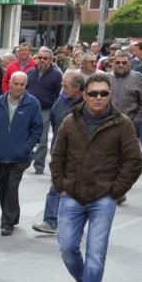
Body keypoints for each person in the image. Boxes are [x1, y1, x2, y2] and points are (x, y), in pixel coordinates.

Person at [51, 73, 142, 282]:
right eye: (93, 93)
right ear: (84, 95)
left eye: (103, 93)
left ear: (110, 95)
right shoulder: (71, 121)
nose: (99, 98)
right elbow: (58, 156)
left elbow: (133, 162)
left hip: (103, 198)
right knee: (67, 247)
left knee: (96, 253)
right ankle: (82, 281)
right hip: (72, 194)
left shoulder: (122, 124)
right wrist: (61, 184)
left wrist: (115, 191)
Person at [0, 71, 43, 236]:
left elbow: (37, 129)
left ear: (26, 85)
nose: (18, 87)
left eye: (22, 84)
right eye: (15, 84)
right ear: (9, 83)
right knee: (3, 188)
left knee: (11, 186)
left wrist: (27, 147)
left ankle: (7, 222)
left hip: (21, 157)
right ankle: (13, 216)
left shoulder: (33, 104)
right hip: (0, 154)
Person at [34, 69, 85, 235]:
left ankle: (75, 223)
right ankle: (50, 221)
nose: (63, 89)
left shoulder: (86, 106)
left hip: (78, 155)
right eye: (62, 86)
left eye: (66, 86)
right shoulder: (61, 101)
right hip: (59, 151)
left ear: (77, 88)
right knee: (56, 185)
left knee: (77, 189)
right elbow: (55, 119)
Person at [26, 47, 63, 175]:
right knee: (25, 136)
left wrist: (53, 108)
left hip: (45, 110)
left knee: (41, 139)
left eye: (45, 58)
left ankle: (39, 165)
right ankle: (24, 161)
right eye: (40, 58)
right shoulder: (30, 73)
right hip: (28, 109)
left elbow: (59, 94)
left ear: (51, 60)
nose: (42, 60)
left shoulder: (57, 75)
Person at [109, 50, 142, 133]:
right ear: (113, 63)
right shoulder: (106, 78)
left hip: (129, 126)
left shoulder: (139, 79)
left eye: (124, 63)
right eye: (118, 62)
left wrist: (134, 122)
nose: (121, 65)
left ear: (130, 63)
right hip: (108, 125)